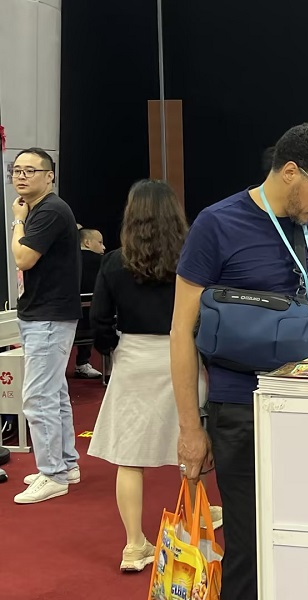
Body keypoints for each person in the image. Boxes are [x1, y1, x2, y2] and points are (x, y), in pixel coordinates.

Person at [171, 122, 308, 600]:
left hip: (305, 399)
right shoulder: (217, 225)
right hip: (243, 408)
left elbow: (297, 290)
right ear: (290, 172)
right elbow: (181, 331)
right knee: (251, 545)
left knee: (304, 537)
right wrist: (190, 429)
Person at [87, 180, 191, 571]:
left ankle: (134, 545)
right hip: (182, 354)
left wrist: (112, 349)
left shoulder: (114, 261)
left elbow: (99, 319)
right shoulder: (190, 256)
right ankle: (192, 524)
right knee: (191, 446)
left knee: (129, 458)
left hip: (132, 357)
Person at [10, 148, 82, 504]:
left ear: (49, 176)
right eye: (16, 170)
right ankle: (65, 464)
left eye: (30, 170)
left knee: (38, 397)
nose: (21, 176)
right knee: (53, 394)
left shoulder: (49, 210)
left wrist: (17, 222)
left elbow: (23, 257)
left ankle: (52, 473)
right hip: (41, 313)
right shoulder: (39, 209)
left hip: (48, 316)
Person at [75, 227, 105, 379]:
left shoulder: (65, 261)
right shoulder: (103, 263)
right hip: (94, 323)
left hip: (65, 322)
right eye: (100, 242)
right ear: (87, 242)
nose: (103, 247)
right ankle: (84, 363)